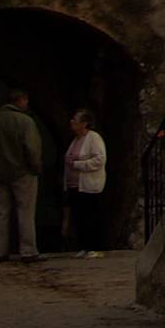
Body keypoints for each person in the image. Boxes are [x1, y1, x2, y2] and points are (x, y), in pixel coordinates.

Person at [0, 85, 46, 261]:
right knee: (25, 211)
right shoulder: (24, 121)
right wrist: (35, 167)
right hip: (22, 172)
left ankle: (0, 251)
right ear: (21, 100)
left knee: (1, 211)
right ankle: (28, 250)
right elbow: (32, 148)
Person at [63, 106, 110, 255]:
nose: (72, 122)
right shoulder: (76, 140)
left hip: (88, 185)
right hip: (75, 185)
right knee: (79, 216)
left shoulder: (93, 138)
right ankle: (83, 245)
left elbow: (99, 159)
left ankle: (94, 246)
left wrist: (78, 164)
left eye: (75, 120)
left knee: (91, 216)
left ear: (84, 123)